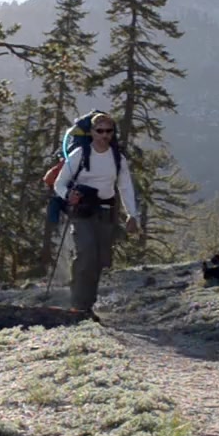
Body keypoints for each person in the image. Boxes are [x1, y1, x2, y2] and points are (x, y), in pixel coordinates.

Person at [52, 113, 140, 315]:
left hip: (105, 212)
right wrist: (68, 195)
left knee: (99, 260)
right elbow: (59, 183)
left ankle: (87, 305)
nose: (104, 135)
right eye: (100, 131)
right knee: (86, 253)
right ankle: (78, 305)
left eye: (109, 131)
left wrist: (132, 215)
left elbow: (125, 187)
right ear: (91, 132)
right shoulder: (80, 154)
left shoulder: (118, 158)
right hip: (82, 211)